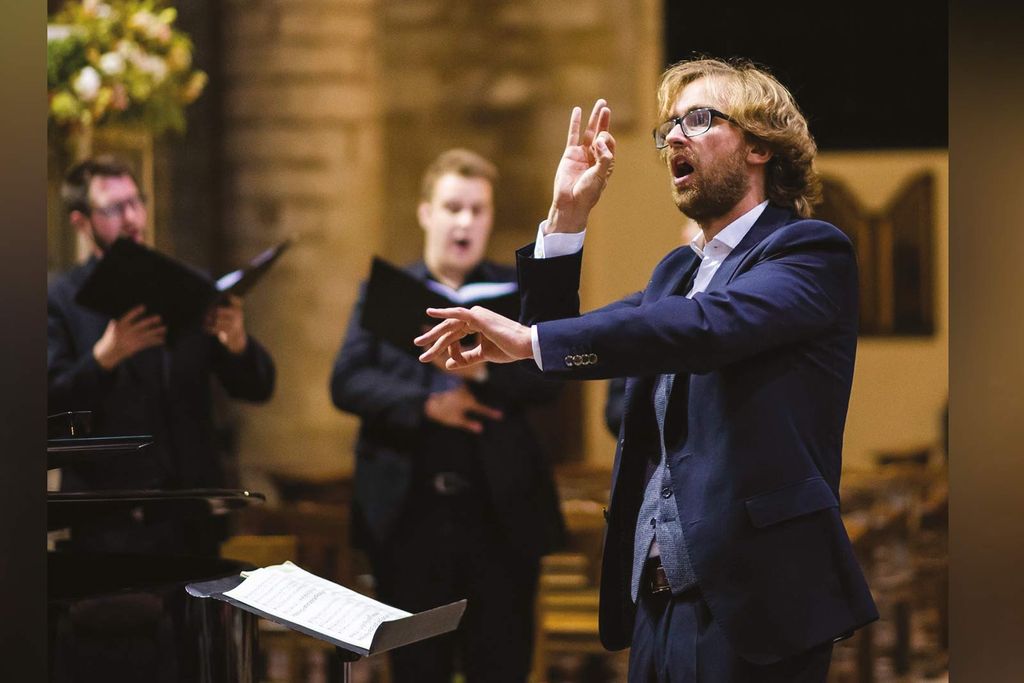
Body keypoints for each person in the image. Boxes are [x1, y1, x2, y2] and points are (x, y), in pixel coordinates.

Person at [415, 58, 878, 682]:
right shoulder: (676, 273)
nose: (675, 138)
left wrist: (529, 341)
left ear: (760, 146)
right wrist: (568, 216)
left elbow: (703, 329)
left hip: (758, 598)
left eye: (700, 119)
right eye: (669, 129)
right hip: (656, 600)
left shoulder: (809, 252)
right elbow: (572, 351)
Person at [330, 149, 565, 683]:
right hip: (410, 517)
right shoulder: (387, 294)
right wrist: (427, 403)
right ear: (425, 213)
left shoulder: (512, 295)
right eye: (453, 207)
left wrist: (480, 370)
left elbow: (549, 382)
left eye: (477, 210)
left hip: (499, 517)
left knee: (501, 661)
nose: (465, 222)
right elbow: (347, 381)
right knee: (418, 667)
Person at [48, 155, 276, 556]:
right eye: (115, 208)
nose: (133, 218)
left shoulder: (185, 285)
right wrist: (104, 358)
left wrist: (237, 342)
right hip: (109, 522)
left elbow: (258, 388)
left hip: (192, 517)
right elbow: (48, 407)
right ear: (81, 222)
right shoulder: (60, 299)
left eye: (137, 202)